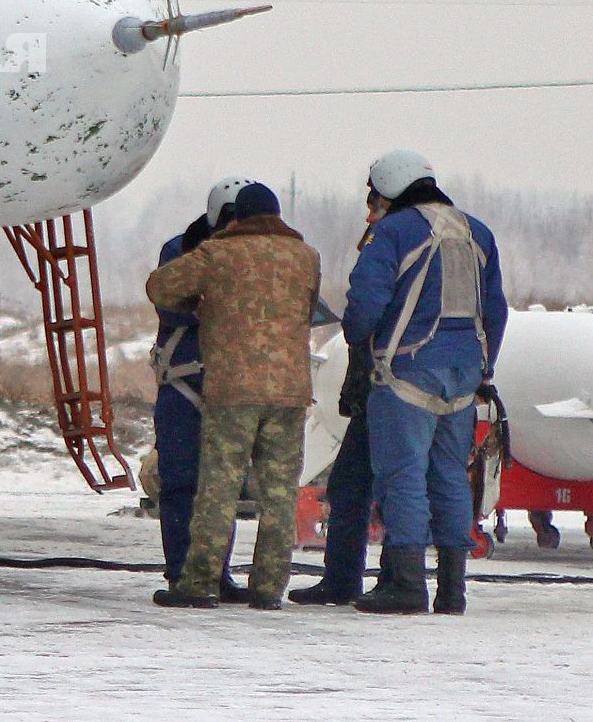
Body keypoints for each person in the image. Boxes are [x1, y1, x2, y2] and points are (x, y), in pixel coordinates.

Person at [343, 150, 506, 615]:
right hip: (463, 376)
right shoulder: (478, 232)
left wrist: (359, 340)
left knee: (402, 476)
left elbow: (366, 305)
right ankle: (452, 590)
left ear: (387, 188)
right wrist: (483, 368)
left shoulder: (391, 232)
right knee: (451, 475)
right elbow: (496, 309)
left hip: (405, 373)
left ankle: (406, 583)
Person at [148, 183, 320, 610]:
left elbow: (161, 287)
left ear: (236, 217)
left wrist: (207, 304)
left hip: (233, 390)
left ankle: (199, 582)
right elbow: (308, 306)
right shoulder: (306, 257)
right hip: (289, 392)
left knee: (218, 491)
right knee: (280, 494)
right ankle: (267, 588)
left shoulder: (219, 254)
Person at [149, 177, 254, 602]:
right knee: (180, 480)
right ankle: (180, 570)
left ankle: (216, 571)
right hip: (185, 383)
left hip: (232, 385)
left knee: (223, 484)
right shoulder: (181, 251)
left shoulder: (260, 255)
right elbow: (169, 302)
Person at [290, 192, 389, 605]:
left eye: (375, 205)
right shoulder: (457, 236)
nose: (369, 215)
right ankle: (430, 584)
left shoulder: (389, 240)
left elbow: (363, 309)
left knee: (359, 484)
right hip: (422, 381)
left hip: (386, 381)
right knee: (364, 484)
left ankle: (358, 580)